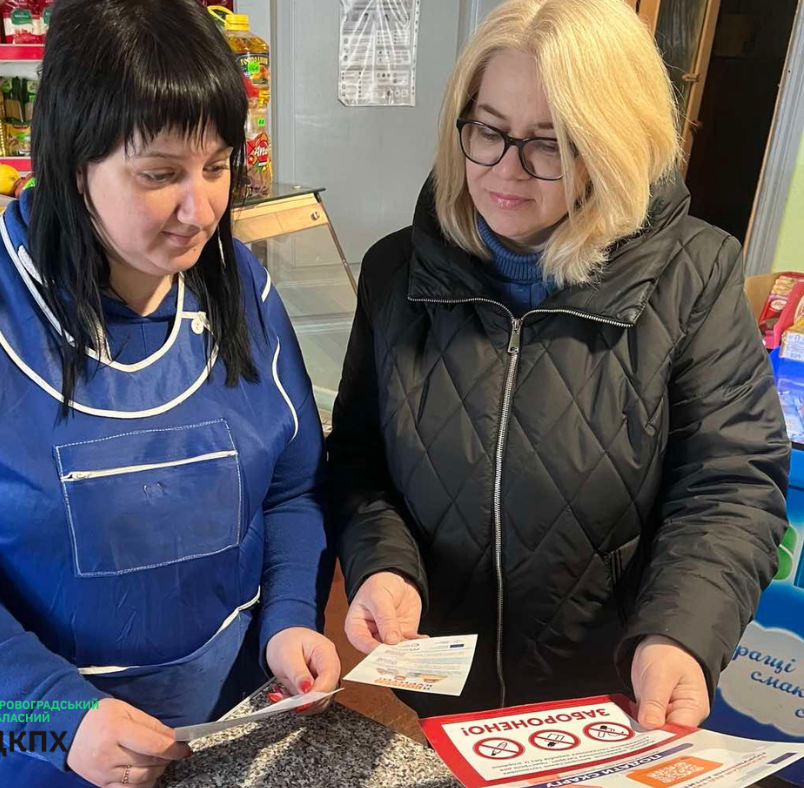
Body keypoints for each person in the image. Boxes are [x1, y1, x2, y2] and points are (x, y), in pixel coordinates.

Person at [0, 0, 339, 785]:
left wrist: (290, 618)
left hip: (233, 711)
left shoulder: (242, 289)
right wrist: (56, 715)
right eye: (159, 174)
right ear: (71, 157)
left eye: (217, 166)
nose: (199, 211)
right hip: (41, 737)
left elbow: (292, 489)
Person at [329, 0, 789, 729]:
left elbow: (728, 487)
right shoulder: (395, 272)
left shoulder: (696, 273)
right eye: (489, 131)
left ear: (613, 145)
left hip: (606, 690)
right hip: (443, 679)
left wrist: (680, 635)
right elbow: (360, 459)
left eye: (552, 144)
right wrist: (384, 564)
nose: (507, 171)